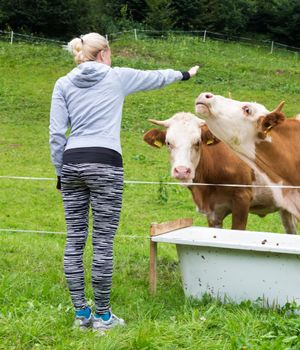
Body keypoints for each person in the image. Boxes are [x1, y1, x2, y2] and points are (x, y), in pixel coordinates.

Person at [49, 32, 199, 331]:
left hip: (72, 161)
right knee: (103, 242)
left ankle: (81, 315)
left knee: (75, 239)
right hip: (106, 162)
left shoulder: (62, 83)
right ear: (104, 53)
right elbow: (154, 77)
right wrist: (184, 74)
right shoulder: (116, 77)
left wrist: (60, 172)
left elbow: (56, 135)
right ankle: (103, 317)